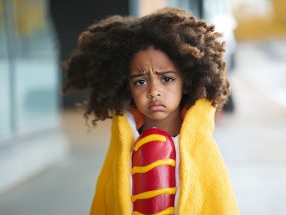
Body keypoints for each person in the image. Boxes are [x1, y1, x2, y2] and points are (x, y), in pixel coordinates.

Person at [63, 7, 238, 215]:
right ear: (126, 86)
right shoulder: (121, 148)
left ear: (187, 81)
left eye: (167, 79)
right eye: (140, 81)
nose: (154, 91)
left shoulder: (203, 151)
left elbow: (220, 205)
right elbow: (103, 204)